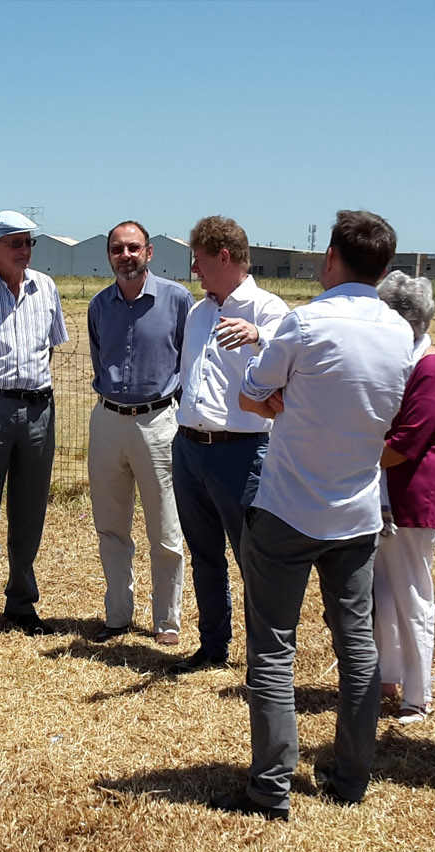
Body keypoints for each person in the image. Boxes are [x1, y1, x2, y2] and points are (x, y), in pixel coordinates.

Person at [211, 210, 414, 819]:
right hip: (355, 514)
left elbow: (253, 389)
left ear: (330, 259)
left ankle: (270, 787)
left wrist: (282, 399)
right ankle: (351, 776)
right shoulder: (399, 332)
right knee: (357, 646)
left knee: (273, 649)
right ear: (383, 268)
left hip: (288, 508)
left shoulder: (304, 322)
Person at [167, 215, 290, 675]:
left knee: (252, 556)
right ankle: (213, 644)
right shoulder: (199, 314)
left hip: (242, 451)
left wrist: (259, 337)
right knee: (203, 552)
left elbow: (294, 356)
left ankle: (265, 655)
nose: (195, 270)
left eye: (199, 260)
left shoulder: (267, 309)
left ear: (223, 256)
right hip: (190, 447)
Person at [87, 222, 192, 645]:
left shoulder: (178, 300)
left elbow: (190, 362)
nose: (125, 255)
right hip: (108, 420)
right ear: (109, 255)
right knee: (110, 526)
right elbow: (99, 359)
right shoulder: (99, 306)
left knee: (165, 527)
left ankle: (167, 621)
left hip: (158, 422)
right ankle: (117, 616)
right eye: (117, 249)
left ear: (149, 252)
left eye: (133, 248)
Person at [0, 210, 70, 639]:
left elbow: (50, 348)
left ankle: (22, 604)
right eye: (15, 243)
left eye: (29, 242)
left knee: (30, 512)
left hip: (39, 410)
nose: (24, 250)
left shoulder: (45, 287)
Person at [371, 271, 435, 724]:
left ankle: (417, 695)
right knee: (383, 592)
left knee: (411, 595)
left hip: (410, 497)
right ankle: (387, 677)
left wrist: (352, 457)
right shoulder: (404, 361)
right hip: (384, 493)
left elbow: (405, 442)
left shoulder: (431, 367)